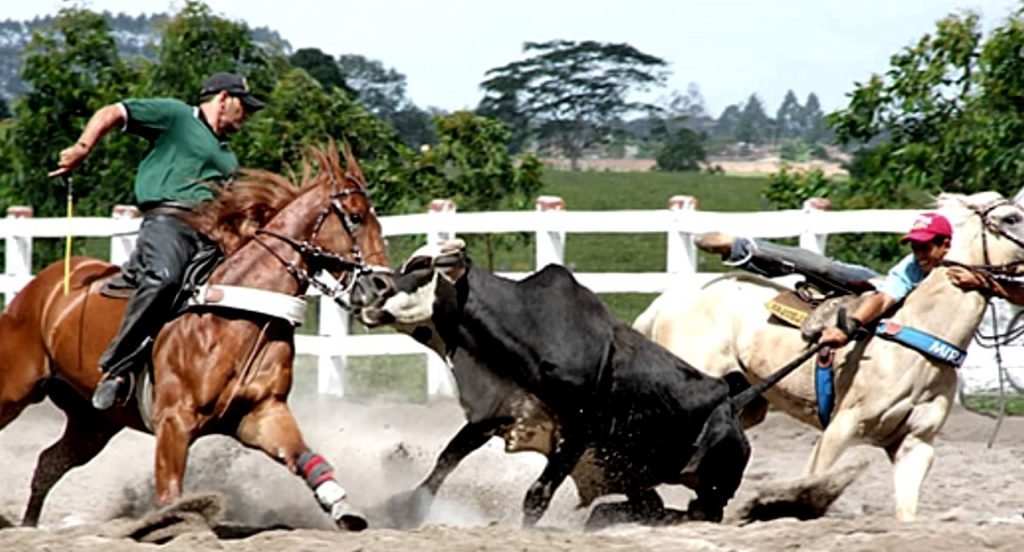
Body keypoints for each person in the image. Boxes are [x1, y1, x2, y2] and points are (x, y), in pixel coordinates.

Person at [49, 72, 266, 410]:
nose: (247, 115)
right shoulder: (177, 116)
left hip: (210, 233)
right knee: (164, 277)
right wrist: (82, 148)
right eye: (244, 106)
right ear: (223, 99)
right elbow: (112, 112)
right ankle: (117, 367)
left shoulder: (227, 156)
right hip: (169, 222)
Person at [818, 212, 952, 347]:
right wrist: (851, 325)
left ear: (946, 245)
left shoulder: (966, 264)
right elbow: (884, 298)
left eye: (924, 248)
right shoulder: (910, 266)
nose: (919, 256)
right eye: (914, 248)